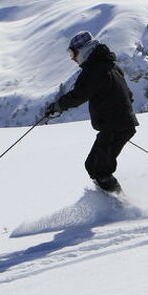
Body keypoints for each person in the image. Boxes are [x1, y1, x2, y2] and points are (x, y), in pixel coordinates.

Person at [45, 31, 139, 194]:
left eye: (72, 53)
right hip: (116, 125)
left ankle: (122, 206)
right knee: (92, 165)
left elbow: (80, 94)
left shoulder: (95, 69)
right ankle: (111, 202)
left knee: (99, 169)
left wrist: (58, 106)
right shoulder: (108, 65)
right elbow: (128, 94)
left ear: (83, 50)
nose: (72, 58)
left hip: (115, 125)